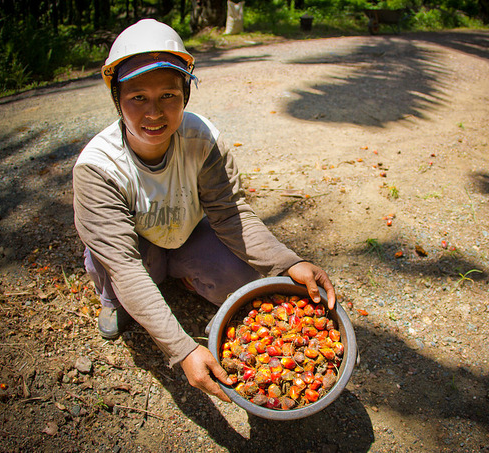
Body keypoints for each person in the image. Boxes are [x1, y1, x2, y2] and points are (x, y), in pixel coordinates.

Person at [72, 19, 336, 403]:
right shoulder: (98, 168)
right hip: (134, 253)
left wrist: (286, 262)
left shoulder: (202, 139)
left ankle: (180, 274)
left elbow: (229, 213)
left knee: (245, 285)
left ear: (185, 95)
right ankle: (113, 301)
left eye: (169, 95)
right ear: (117, 99)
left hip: (187, 234)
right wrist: (182, 349)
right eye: (138, 98)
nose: (155, 112)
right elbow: (124, 264)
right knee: (116, 270)